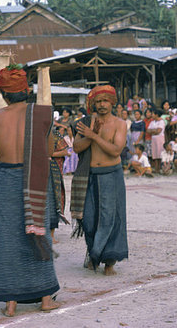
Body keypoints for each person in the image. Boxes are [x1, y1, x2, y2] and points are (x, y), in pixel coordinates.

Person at [0, 65, 60, 316]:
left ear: (3, 93)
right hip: (35, 177)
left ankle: (11, 303)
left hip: (6, 176)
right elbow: (48, 151)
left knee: (7, 238)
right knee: (38, 233)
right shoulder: (43, 113)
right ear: (26, 91)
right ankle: (46, 298)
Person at [71, 85, 128, 276]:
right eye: (98, 101)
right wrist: (89, 135)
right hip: (90, 174)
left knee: (111, 218)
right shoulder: (86, 122)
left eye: (105, 101)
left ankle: (109, 262)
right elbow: (77, 147)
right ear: (93, 104)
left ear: (112, 102)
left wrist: (93, 135)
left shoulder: (119, 124)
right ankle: (93, 253)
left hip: (112, 174)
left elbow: (115, 150)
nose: (102, 105)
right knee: (88, 218)